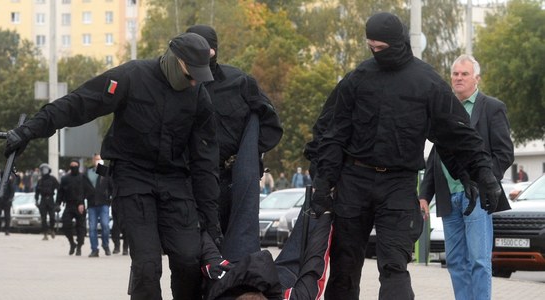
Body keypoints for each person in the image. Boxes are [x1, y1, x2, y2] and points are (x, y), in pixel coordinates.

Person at [3, 32, 220, 299]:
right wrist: (27, 131)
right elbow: (78, 104)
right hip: (133, 180)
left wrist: (212, 223)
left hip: (175, 182)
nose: (195, 82)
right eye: (190, 75)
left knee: (189, 260)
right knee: (147, 266)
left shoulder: (198, 96)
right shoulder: (130, 77)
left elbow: (204, 162)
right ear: (175, 61)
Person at [312, 12, 504, 299]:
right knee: (344, 267)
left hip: (398, 186)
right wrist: (322, 183)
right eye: (371, 48)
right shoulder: (357, 79)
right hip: (354, 181)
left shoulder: (427, 82)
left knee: (394, 265)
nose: (377, 54)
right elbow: (331, 133)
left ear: (397, 42)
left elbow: (456, 134)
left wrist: (483, 175)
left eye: (381, 48)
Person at [419, 54, 514, 300]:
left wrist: (484, 180)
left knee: (479, 261)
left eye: (464, 74)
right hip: (448, 197)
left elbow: (504, 154)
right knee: (455, 262)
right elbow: (435, 157)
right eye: (455, 74)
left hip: (478, 199)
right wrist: (423, 195)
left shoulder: (492, 107)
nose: (459, 78)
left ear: (477, 78)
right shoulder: (443, 110)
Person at [186, 25, 283, 261]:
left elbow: (271, 125)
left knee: (231, 249)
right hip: (189, 182)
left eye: (206, 50)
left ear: (214, 50)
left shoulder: (239, 82)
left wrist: (246, 157)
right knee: (190, 253)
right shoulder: (176, 86)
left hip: (228, 182)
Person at [200, 212, 333, 300]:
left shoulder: (222, 281)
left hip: (244, 278)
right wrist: (326, 216)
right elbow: (314, 265)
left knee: (315, 212)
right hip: (283, 279)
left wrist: (197, 224)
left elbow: (209, 254)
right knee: (314, 212)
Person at [56, 160, 94, 256]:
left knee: (81, 228)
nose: (73, 168)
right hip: (69, 205)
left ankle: (79, 247)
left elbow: (90, 191)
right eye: (72, 166)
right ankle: (72, 243)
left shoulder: (83, 178)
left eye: (75, 166)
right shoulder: (65, 179)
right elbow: (60, 192)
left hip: (80, 206)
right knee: (65, 224)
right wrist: (57, 204)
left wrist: (83, 201)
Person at [86, 154, 113, 257]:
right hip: (92, 204)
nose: (98, 161)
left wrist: (110, 197)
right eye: (96, 159)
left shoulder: (105, 172)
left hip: (103, 203)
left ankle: (105, 245)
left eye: (99, 159)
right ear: (93, 160)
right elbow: (85, 186)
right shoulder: (88, 172)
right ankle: (94, 249)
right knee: (92, 227)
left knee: (105, 225)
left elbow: (111, 186)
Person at [34, 163, 60, 240]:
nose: (44, 171)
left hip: (51, 200)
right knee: (43, 218)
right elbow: (37, 192)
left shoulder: (53, 179)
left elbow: (59, 189)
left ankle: (52, 229)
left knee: (52, 217)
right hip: (43, 200)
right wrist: (36, 200)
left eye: (45, 169)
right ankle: (45, 233)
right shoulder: (40, 180)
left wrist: (58, 202)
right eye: (43, 170)